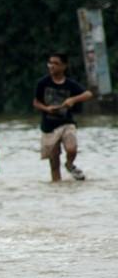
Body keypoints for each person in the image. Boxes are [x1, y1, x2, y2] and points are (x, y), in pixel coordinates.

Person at [33, 52, 94, 182]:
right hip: (49, 127)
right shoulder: (42, 83)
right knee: (54, 164)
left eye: (56, 63)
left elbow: (88, 94)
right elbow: (36, 102)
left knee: (71, 148)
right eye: (50, 63)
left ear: (64, 66)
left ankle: (69, 164)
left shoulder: (70, 84)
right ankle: (58, 194)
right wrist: (46, 108)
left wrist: (73, 99)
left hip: (66, 123)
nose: (52, 66)